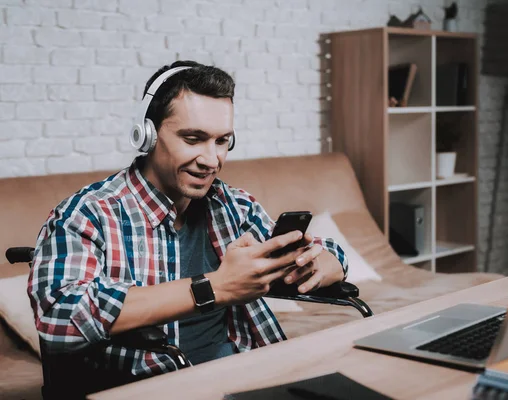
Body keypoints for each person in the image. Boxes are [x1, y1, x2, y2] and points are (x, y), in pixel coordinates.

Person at [27, 60, 348, 380]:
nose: (211, 160)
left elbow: (331, 253)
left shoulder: (234, 206)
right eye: (193, 139)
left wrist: (312, 265)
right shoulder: (88, 214)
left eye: (222, 141)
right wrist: (216, 287)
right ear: (146, 135)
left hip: (249, 376)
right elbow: (60, 318)